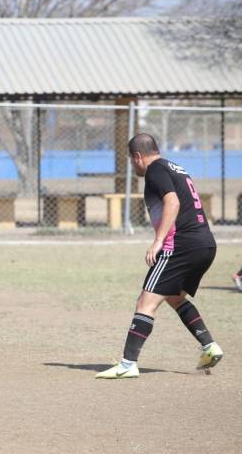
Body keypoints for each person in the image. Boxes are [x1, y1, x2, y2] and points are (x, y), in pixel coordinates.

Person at [96, 133, 223, 379]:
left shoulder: (155, 169)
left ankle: (127, 364)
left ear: (138, 156)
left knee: (145, 303)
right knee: (174, 297)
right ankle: (209, 345)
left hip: (181, 245)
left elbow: (172, 203)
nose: (133, 165)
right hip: (205, 244)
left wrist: (158, 242)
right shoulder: (175, 168)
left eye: (131, 160)